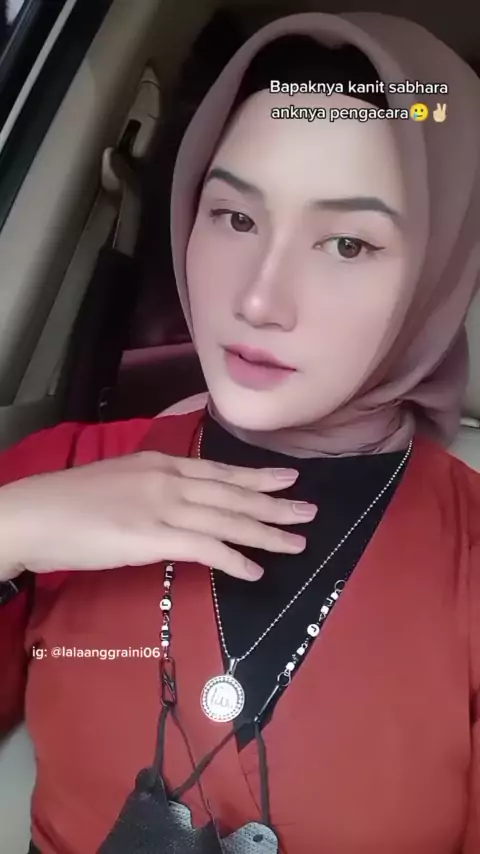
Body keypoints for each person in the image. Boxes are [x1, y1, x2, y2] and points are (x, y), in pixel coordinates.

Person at [1, 10, 480, 854]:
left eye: (347, 243)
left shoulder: (467, 554)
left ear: (439, 271)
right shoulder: (58, 476)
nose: (259, 299)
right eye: (235, 217)